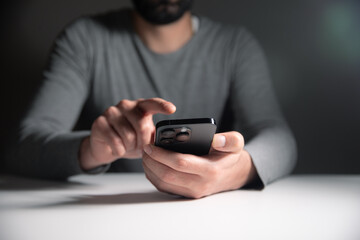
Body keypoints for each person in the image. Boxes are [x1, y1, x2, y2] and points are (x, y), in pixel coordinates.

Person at [6, 0, 297, 198]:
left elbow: (279, 137)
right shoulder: (84, 40)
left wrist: (236, 171)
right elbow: (24, 146)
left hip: (208, 217)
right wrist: (92, 149)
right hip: (108, 215)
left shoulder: (235, 45)